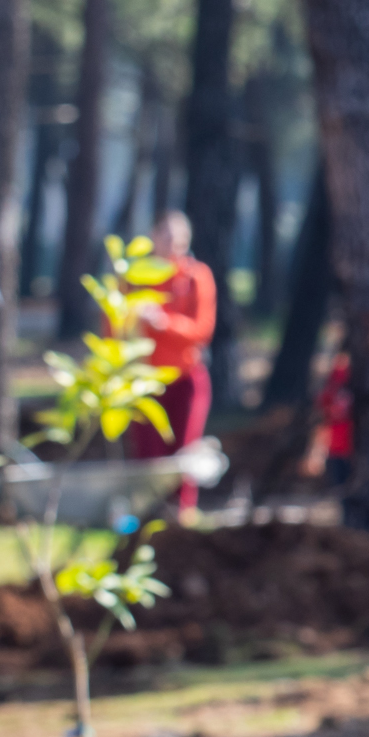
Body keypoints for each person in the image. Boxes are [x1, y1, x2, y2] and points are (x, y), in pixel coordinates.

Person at [126, 212, 217, 516]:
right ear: (153, 237)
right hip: (145, 382)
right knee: (148, 456)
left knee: (184, 454)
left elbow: (202, 330)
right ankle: (147, 516)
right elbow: (115, 327)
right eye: (166, 237)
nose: (173, 245)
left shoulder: (196, 277)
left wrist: (163, 322)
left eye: (180, 239)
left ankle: (182, 516)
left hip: (185, 378)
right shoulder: (135, 278)